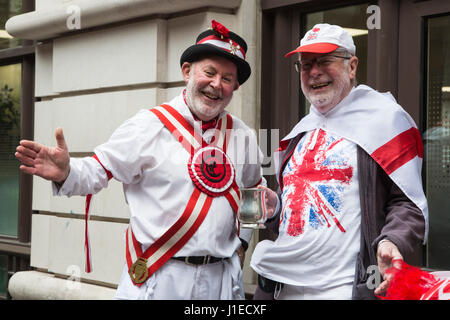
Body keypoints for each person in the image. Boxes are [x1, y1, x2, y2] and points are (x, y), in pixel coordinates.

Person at [15, 20, 264, 300]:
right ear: (187, 72)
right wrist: (66, 171)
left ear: (235, 87)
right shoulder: (148, 125)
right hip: (160, 277)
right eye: (209, 72)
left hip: (221, 281)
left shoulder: (243, 135)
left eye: (228, 78)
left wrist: (243, 242)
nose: (216, 84)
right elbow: (98, 170)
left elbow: (255, 192)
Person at [250, 23, 428, 300]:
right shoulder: (300, 132)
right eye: (306, 65)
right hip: (283, 288)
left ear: (352, 66)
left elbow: (407, 203)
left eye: (324, 61)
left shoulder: (386, 120)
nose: (314, 72)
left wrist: (393, 239)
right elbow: (305, 210)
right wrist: (276, 209)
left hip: (343, 290)